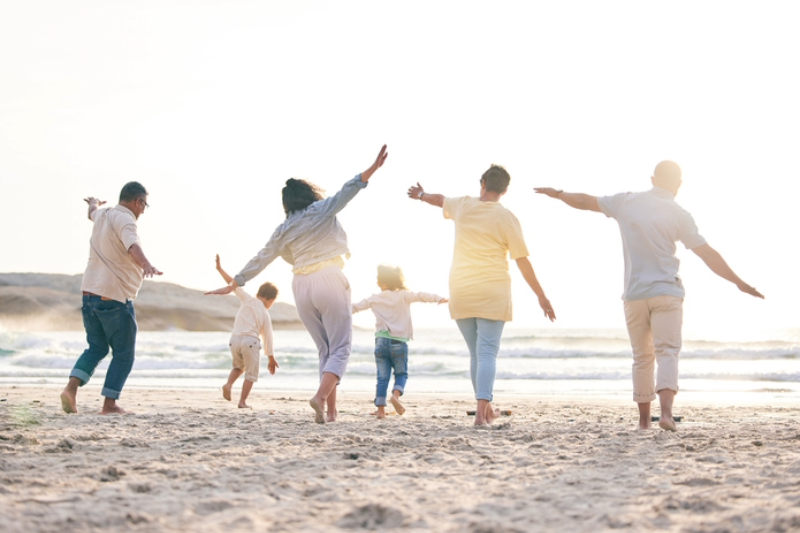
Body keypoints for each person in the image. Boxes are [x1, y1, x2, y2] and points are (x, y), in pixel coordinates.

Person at [535, 160, 764, 431]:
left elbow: (585, 201)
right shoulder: (680, 214)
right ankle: (665, 414)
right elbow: (707, 254)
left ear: (653, 179)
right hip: (667, 291)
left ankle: (644, 422)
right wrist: (738, 282)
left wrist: (559, 194)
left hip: (634, 295)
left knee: (642, 357)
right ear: (679, 184)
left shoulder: (626, 202)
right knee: (667, 352)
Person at [207, 145, 388, 423]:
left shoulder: (284, 228)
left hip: (300, 286)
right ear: (309, 194)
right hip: (328, 277)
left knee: (325, 350)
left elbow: (262, 257)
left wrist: (235, 282)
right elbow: (347, 191)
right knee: (340, 348)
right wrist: (372, 169)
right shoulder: (320, 209)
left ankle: (330, 411)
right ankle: (320, 398)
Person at [407, 165, 556, 426]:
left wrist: (421, 195)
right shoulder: (507, 217)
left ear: (483, 183)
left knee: (476, 354)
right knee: (487, 353)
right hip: (492, 290)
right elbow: (522, 260)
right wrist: (541, 296)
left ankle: (485, 410)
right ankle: (481, 413)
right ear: (505, 190)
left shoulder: (463, 205)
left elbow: (439, 199)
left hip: (461, 289)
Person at [60, 182, 162, 415]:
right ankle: (110, 404)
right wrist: (147, 265)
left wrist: (94, 203)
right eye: (144, 204)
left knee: (96, 348)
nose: (144, 210)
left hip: (89, 295)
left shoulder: (103, 215)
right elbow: (132, 245)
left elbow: (92, 213)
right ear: (138, 202)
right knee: (124, 353)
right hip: (113, 297)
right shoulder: (126, 220)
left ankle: (70, 389)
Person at [352, 265, 448, 419]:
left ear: (383, 283)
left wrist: (332, 311)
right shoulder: (403, 296)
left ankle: (381, 411)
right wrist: (438, 298)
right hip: (399, 343)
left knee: (382, 377)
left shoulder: (374, 298)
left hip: (381, 342)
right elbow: (421, 296)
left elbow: (354, 307)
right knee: (401, 374)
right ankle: (395, 396)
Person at [209, 254, 278, 408]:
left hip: (234, 340)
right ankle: (242, 401)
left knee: (238, 367)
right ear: (270, 300)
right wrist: (271, 358)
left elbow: (232, 284)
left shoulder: (247, 298)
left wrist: (220, 269)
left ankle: (228, 384)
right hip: (250, 342)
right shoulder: (265, 313)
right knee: (251, 375)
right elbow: (268, 337)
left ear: (258, 294)